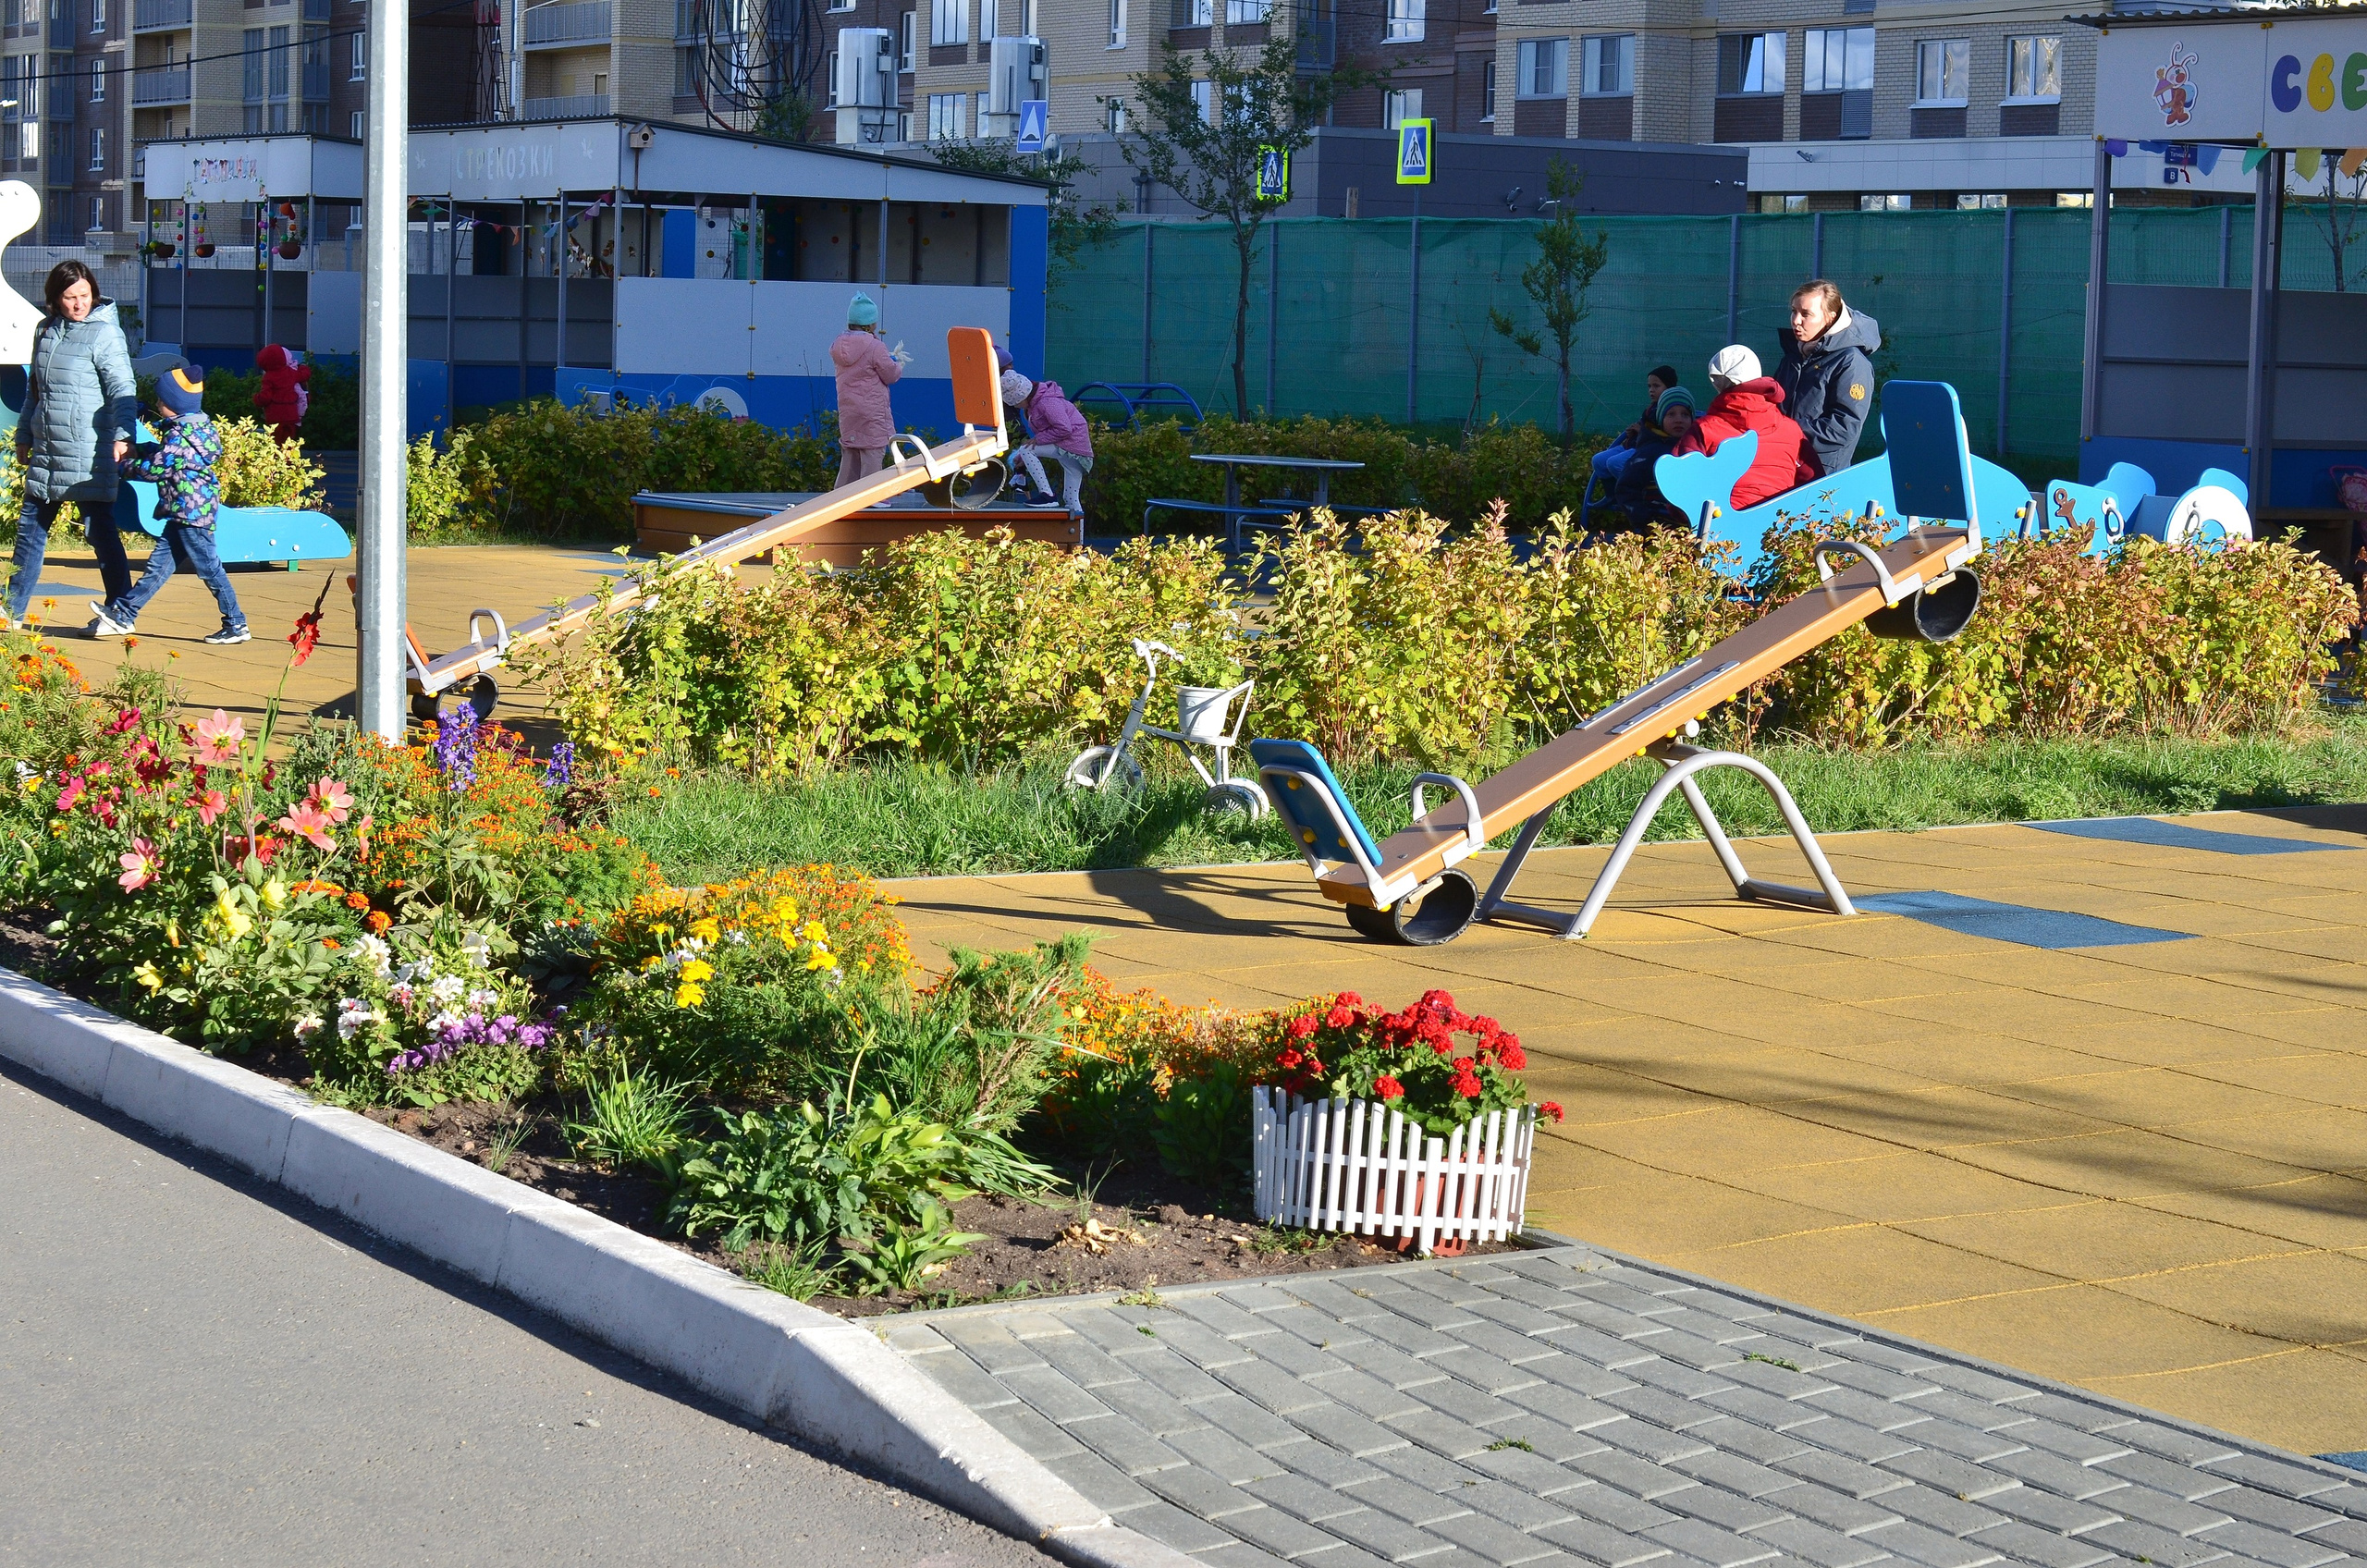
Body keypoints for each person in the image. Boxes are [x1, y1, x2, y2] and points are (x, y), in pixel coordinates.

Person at [6, 261, 135, 632]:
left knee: (100, 531)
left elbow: (122, 390)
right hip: (48, 450)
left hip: (89, 452)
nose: (79, 303)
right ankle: (12, 610)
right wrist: (24, 436)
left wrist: (124, 433)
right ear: (55, 298)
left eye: (85, 295)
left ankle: (120, 612)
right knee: (30, 531)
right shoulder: (45, 330)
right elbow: (37, 391)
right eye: (70, 297)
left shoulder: (105, 335)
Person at [92, 366, 247, 644]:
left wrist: (125, 466)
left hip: (190, 513)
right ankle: (123, 615)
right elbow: (169, 458)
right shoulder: (194, 431)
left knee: (209, 568)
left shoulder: (180, 436)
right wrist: (143, 449)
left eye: (161, 401)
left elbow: (157, 469)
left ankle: (236, 624)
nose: (157, 405)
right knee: (158, 568)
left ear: (174, 406)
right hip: (185, 511)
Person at [1677, 346, 1809, 510]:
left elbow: (1679, 486)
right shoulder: (1792, 430)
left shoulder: (1704, 429)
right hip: (1778, 527)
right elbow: (1814, 483)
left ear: (1718, 382)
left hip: (1721, 528)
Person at [1774, 279, 1881, 479]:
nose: (1796, 320)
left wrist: (1787, 431)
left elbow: (1844, 427)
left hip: (1821, 480)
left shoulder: (1851, 363)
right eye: (1794, 311)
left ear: (1830, 318)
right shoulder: (1793, 356)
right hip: (1782, 468)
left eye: (1806, 314)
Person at [1583, 364, 1680, 525]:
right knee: (1599, 460)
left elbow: (1662, 433)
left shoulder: (1670, 408)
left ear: (1669, 387)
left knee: (1614, 463)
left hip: (1647, 450)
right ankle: (1612, 495)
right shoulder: (1650, 409)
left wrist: (1641, 431)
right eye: (1649, 386)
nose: (1651, 390)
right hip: (1635, 445)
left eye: (1656, 386)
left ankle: (1635, 494)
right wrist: (1635, 432)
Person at [830, 293, 908, 489]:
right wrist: (898, 364)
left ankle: (841, 494)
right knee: (873, 451)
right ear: (869, 324)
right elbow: (890, 375)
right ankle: (871, 496)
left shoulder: (838, 345)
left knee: (851, 452)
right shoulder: (875, 346)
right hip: (871, 410)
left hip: (848, 410)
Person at [1000, 362, 1094, 522]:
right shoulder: (1035, 404)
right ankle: (1079, 542)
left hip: (1070, 445)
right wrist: (1025, 456)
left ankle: (1047, 495)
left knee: (1026, 449)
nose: (1015, 406)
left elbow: (1064, 429)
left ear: (1022, 397)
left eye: (1015, 403)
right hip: (1077, 449)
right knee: (1071, 499)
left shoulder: (1046, 402)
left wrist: (1035, 442)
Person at [1612, 385, 1697, 531]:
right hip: (1657, 529)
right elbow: (1626, 487)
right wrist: (1645, 521)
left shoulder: (1696, 449)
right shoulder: (1649, 452)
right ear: (1660, 419)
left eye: (1685, 414)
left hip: (1690, 528)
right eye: (1671, 414)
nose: (1679, 420)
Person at [252, 344, 310, 445]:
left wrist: (257, 398)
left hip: (275, 416)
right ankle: (289, 459)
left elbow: (266, 397)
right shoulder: (290, 372)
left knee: (276, 443)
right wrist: (303, 367)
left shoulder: (268, 377)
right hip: (291, 414)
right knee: (289, 442)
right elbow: (303, 375)